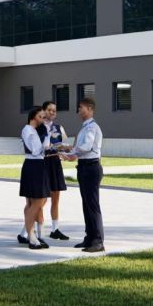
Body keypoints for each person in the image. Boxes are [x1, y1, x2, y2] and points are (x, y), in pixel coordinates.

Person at [62, 97, 104, 252]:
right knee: (86, 204)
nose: (78, 110)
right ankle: (90, 237)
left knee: (92, 205)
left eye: (81, 107)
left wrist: (73, 154)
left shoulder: (92, 127)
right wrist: (70, 152)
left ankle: (98, 241)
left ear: (90, 109)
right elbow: (80, 147)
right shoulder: (85, 127)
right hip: (84, 167)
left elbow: (86, 146)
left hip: (91, 167)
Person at [18, 107, 51, 250]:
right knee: (36, 202)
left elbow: (42, 148)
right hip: (33, 165)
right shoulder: (28, 130)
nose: (43, 119)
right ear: (33, 117)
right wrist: (49, 148)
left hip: (38, 165)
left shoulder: (36, 131)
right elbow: (35, 150)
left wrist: (48, 136)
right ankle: (31, 237)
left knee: (36, 202)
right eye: (41, 117)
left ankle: (26, 234)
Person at [40, 101, 70, 241]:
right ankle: (32, 228)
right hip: (42, 163)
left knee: (56, 196)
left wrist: (65, 149)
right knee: (41, 199)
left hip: (55, 162)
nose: (52, 112)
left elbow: (63, 145)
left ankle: (55, 229)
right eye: (49, 110)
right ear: (44, 111)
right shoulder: (38, 127)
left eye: (54, 110)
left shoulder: (59, 128)